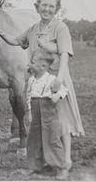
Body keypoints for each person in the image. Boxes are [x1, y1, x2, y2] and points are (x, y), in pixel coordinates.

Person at [0, 0, 84, 179]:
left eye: (51, 6)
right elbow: (16, 41)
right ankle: (41, 161)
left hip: (56, 78)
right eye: (44, 5)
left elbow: (65, 54)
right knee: (41, 122)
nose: (47, 9)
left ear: (56, 9)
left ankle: (65, 161)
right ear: (38, 7)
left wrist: (59, 79)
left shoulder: (60, 28)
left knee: (62, 121)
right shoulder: (33, 29)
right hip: (38, 81)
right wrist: (0, 32)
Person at [26, 48, 68, 179]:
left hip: (48, 112)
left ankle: (61, 167)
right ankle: (35, 166)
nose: (29, 64)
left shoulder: (51, 79)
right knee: (34, 139)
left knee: (52, 138)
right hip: (35, 111)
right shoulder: (31, 80)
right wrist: (29, 112)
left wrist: (58, 96)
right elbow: (28, 96)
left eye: (33, 62)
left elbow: (64, 90)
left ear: (43, 66)